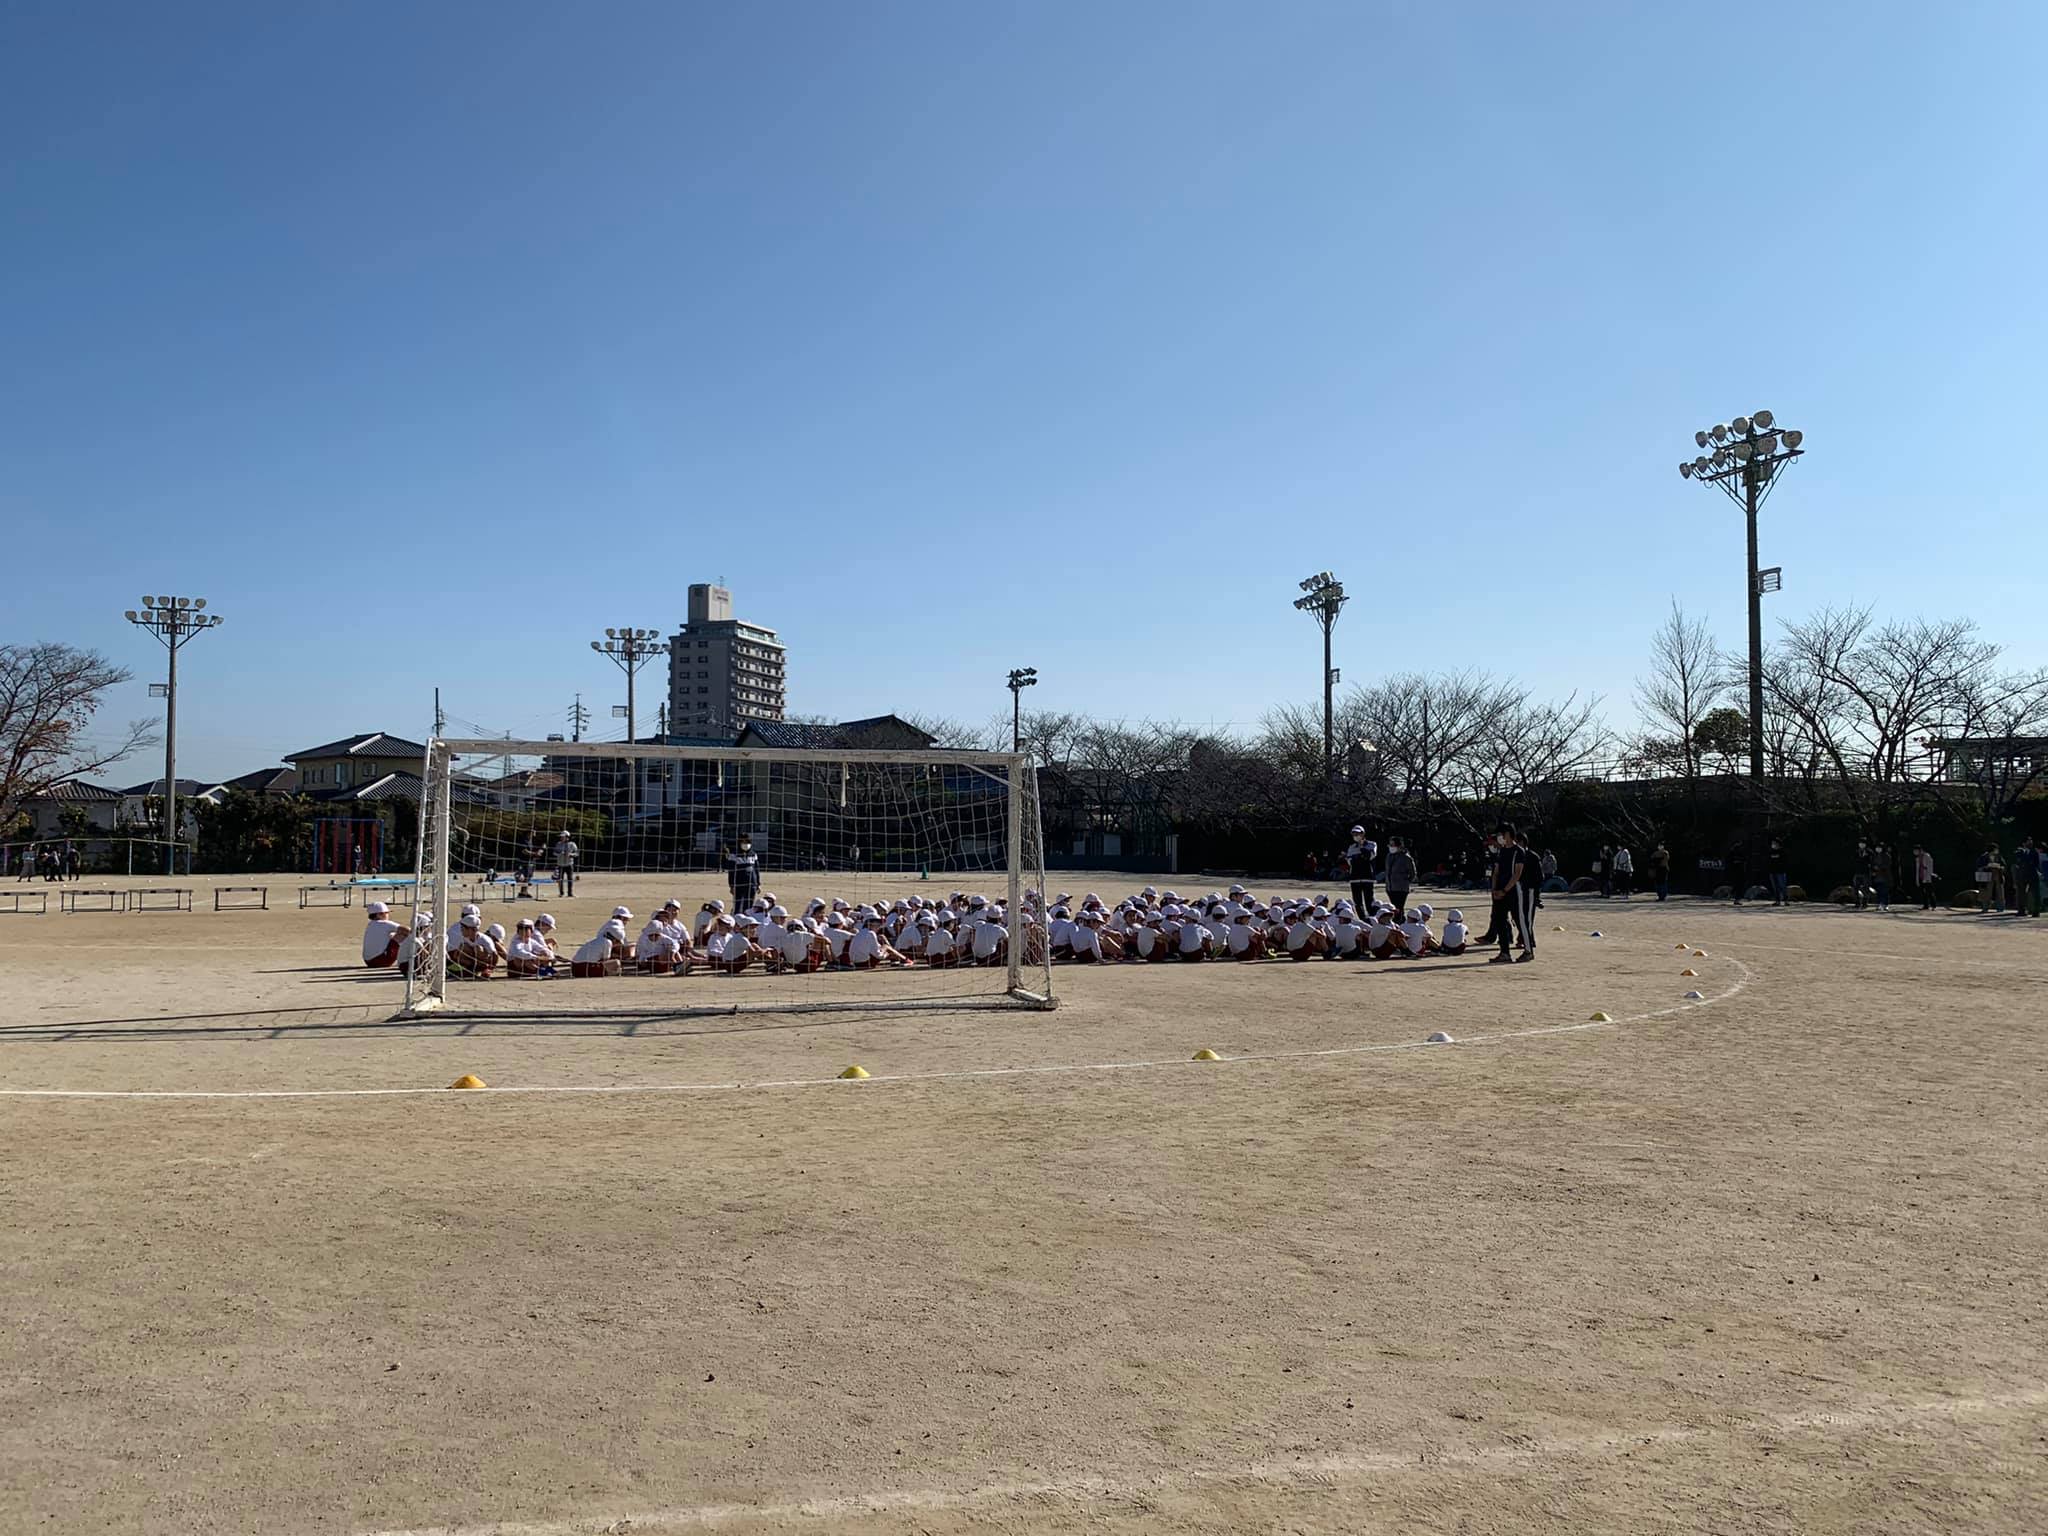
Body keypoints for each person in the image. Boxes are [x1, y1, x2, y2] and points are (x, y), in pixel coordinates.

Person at [1488, 826, 1521, 965]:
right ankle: (1504, 952)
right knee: (1499, 920)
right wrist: (1494, 889)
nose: (1499, 838)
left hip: (1512, 892)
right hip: (1499, 892)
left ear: (1507, 834)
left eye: (1500, 834)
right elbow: (1496, 872)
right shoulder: (1501, 851)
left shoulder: (1518, 851)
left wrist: (1505, 890)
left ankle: (1527, 947)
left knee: (1519, 920)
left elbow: (1517, 874)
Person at [570, 910, 633, 977]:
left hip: (575, 968)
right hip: (584, 968)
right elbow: (606, 959)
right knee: (616, 963)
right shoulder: (607, 942)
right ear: (614, 939)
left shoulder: (598, 939)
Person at [1340, 825, 1377, 914]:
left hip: (1367, 877)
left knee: (1369, 900)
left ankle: (1372, 917)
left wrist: (1362, 849)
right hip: (1355, 877)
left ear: (1363, 834)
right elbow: (1350, 861)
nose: (1356, 836)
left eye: (1358, 833)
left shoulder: (1372, 844)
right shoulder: (1352, 847)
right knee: (1357, 901)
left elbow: (1371, 856)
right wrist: (1357, 858)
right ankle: (1362, 918)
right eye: (1354, 834)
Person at [360, 900, 405, 968]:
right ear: (379, 914)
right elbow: (407, 930)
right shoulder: (385, 923)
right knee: (401, 936)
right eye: (386, 913)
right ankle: (409, 959)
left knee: (392, 935)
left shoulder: (370, 924)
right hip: (381, 961)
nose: (388, 915)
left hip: (369, 962)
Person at [1383, 837, 1415, 925]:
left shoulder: (1406, 857)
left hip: (1401, 888)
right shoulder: (1389, 856)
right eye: (1390, 845)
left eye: (1393, 845)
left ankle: (1399, 923)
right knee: (1394, 907)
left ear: (1399, 846)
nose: (1391, 847)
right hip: (1390, 887)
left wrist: (1405, 881)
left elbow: (1412, 873)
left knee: (1399, 907)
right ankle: (1401, 921)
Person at [725, 832, 761, 910]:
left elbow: (757, 870)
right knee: (738, 905)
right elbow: (731, 872)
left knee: (749, 906)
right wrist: (731, 885)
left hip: (752, 884)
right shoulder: (733, 855)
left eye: (747, 841)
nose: (745, 844)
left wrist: (758, 884)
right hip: (739, 884)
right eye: (743, 842)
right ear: (739, 842)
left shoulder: (753, 854)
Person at [551, 829, 579, 898]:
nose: (561, 838)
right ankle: (561, 893)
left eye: (563, 837)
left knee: (570, 879)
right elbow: (554, 853)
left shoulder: (572, 844)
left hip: (569, 864)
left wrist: (571, 854)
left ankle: (570, 893)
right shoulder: (558, 844)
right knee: (560, 879)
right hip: (560, 864)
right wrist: (559, 854)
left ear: (567, 837)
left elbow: (577, 853)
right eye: (561, 837)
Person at [1913, 844, 1937, 909]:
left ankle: (1933, 904)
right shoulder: (1917, 858)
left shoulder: (1927, 856)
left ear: (1920, 850)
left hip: (1927, 876)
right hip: (1921, 876)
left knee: (1929, 891)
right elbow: (1917, 870)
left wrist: (1928, 876)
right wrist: (1917, 879)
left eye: (1916, 850)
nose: (1915, 852)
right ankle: (1926, 905)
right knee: (1923, 892)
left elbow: (1930, 867)